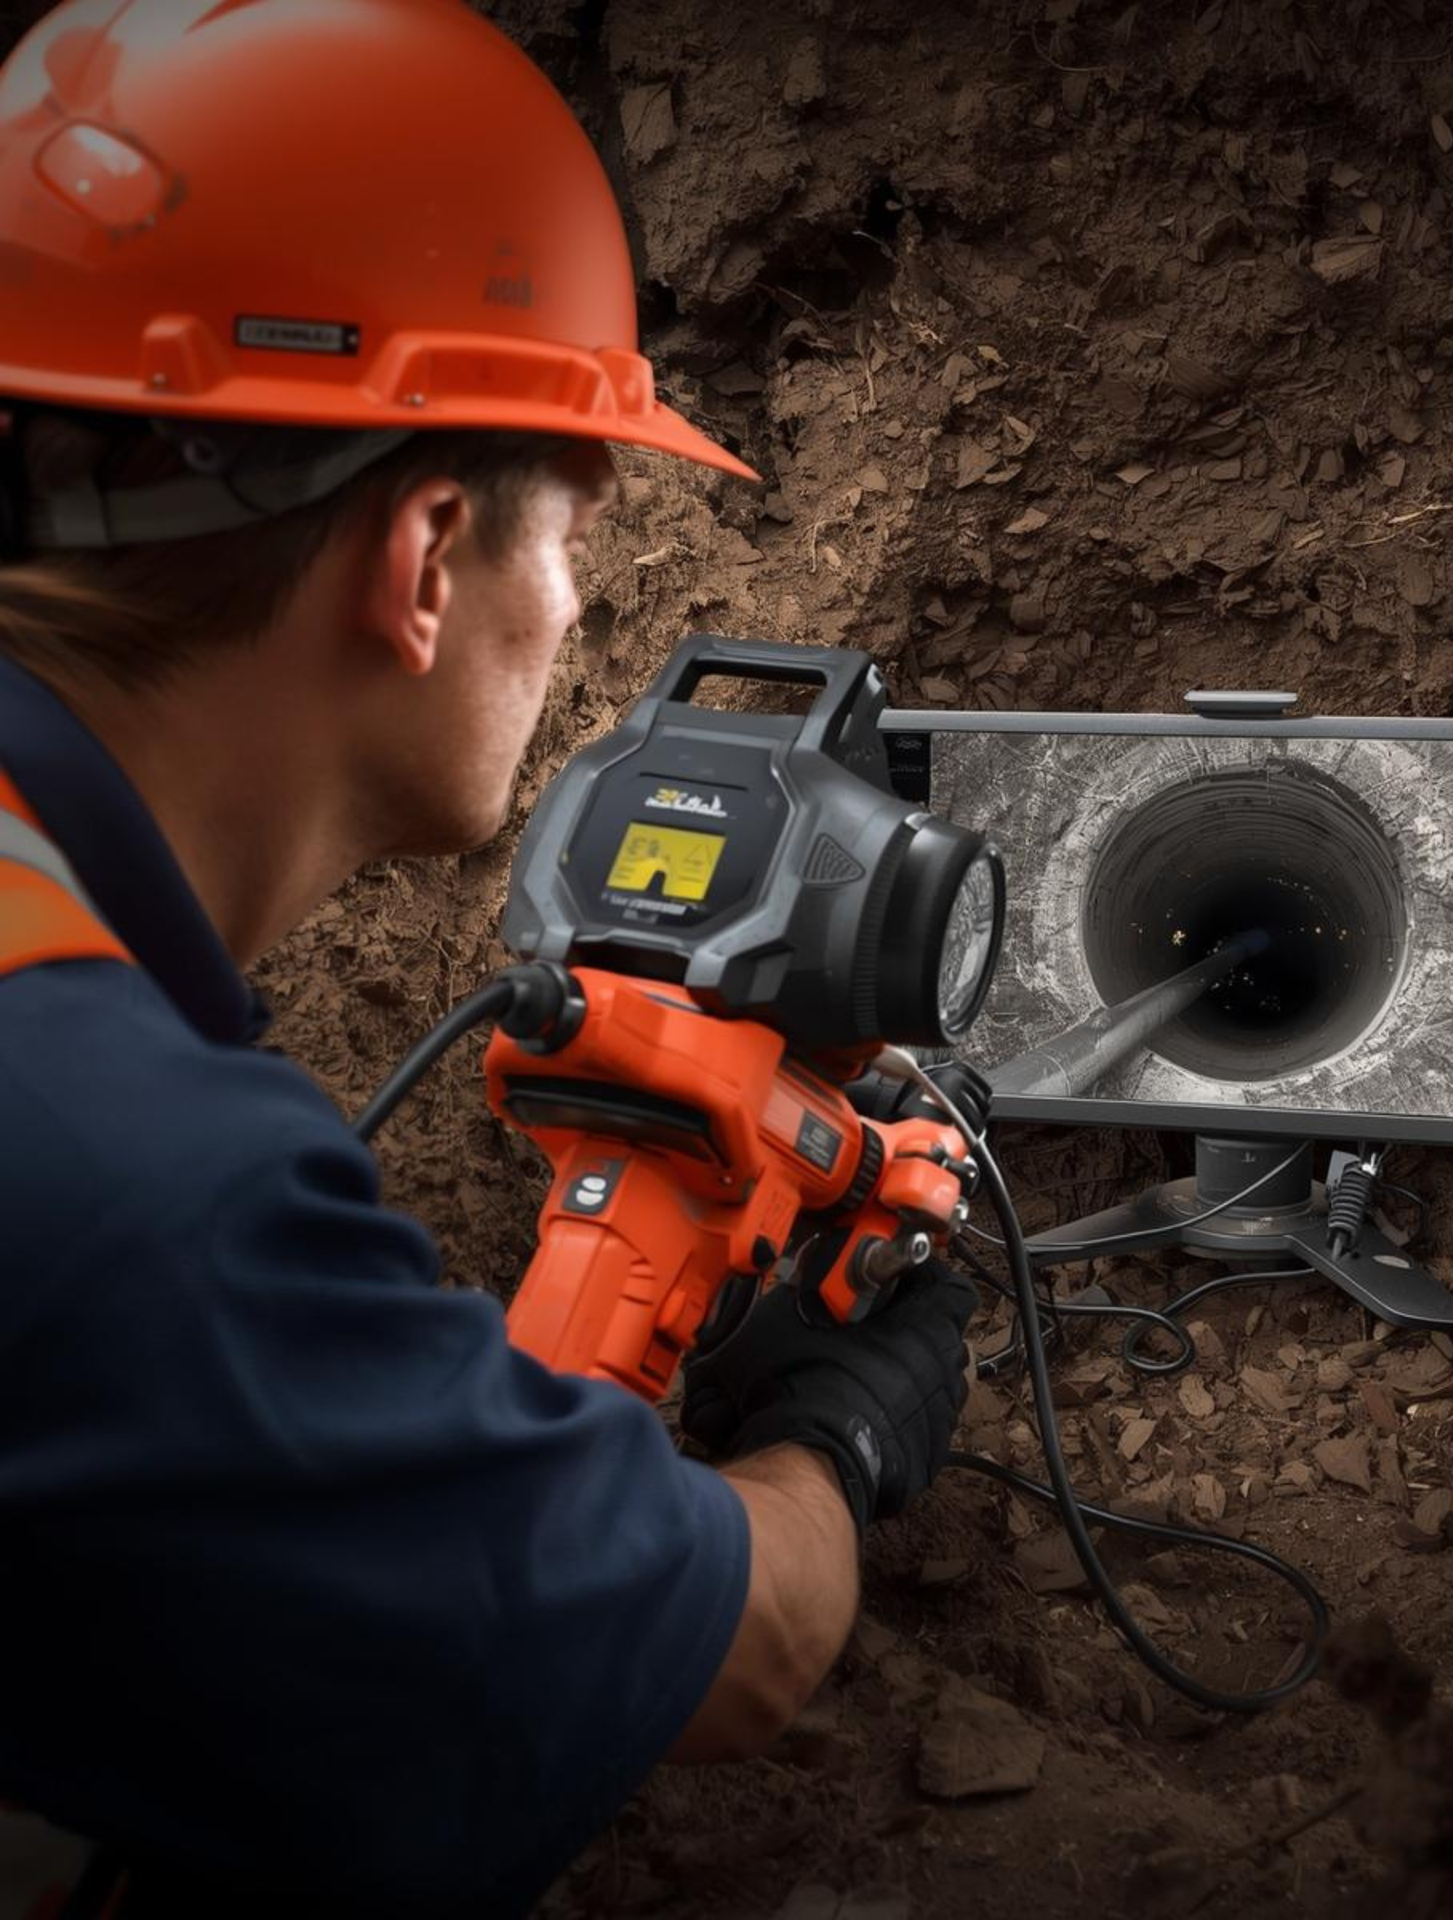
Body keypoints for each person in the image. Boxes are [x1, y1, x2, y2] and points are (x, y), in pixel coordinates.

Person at [0, 3, 976, 1915]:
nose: (583, 608)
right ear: (428, 557)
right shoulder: (129, 1182)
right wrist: (837, 1433)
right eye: (578, 535)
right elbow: (744, 1650)